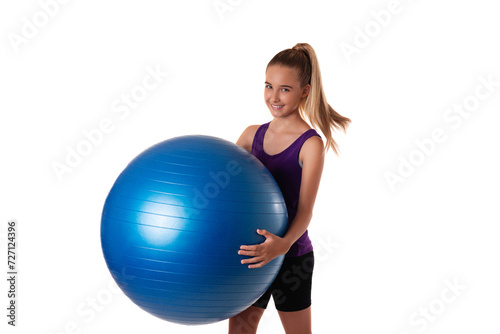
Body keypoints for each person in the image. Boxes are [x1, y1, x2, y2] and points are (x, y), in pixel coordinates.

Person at [228, 43, 351, 334]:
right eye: (269, 86)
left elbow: (306, 210)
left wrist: (282, 245)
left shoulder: (311, 144)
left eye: (285, 89)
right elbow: (225, 188)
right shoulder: (250, 135)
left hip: (292, 256)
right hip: (254, 253)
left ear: (304, 91)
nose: (273, 96)